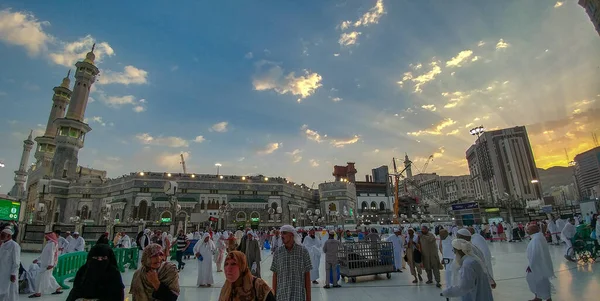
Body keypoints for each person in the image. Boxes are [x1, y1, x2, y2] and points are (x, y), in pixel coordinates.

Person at [270, 225, 312, 301]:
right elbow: (275, 275)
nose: (282, 236)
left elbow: (307, 275)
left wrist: (308, 298)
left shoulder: (303, 252)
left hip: (297, 296)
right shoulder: (278, 253)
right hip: (282, 296)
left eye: (284, 233)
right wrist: (274, 295)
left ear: (292, 235)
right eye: (281, 233)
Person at [525, 224, 555, 301]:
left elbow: (536, 254)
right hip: (539, 265)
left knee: (541, 282)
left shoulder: (536, 239)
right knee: (535, 281)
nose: (527, 231)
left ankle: (547, 298)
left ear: (533, 230)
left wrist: (531, 266)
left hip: (537, 265)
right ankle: (538, 297)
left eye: (528, 229)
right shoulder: (537, 237)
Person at [29, 232, 62, 298]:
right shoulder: (49, 244)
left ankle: (38, 293)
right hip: (45, 264)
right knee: (49, 277)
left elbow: (52, 254)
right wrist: (37, 259)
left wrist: (51, 264)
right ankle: (57, 288)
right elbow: (44, 254)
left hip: (47, 265)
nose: (45, 237)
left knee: (39, 277)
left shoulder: (52, 244)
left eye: (46, 236)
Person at [0, 228, 20, 301]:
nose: (1, 236)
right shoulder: (2, 244)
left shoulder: (14, 245)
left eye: (3, 235)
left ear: (9, 236)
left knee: (10, 291)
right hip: (2, 271)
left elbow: (16, 261)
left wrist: (13, 273)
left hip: (10, 273)